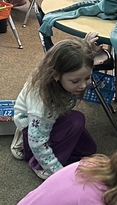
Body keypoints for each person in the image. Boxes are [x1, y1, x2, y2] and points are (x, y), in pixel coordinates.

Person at [10, 38, 98, 181]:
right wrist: (57, 172)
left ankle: (42, 147)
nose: (83, 85)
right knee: (76, 120)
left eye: (87, 78)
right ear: (56, 75)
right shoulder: (42, 106)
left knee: (88, 149)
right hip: (33, 128)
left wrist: (89, 51)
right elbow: (37, 143)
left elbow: (77, 58)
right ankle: (37, 163)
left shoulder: (65, 73)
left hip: (53, 117)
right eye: (75, 81)